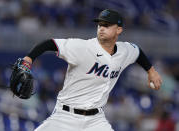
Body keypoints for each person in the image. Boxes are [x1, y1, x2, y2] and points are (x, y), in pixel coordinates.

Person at [21, 9, 162, 131]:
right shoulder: (83, 47)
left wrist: (151, 71)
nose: (101, 28)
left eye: (106, 25)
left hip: (96, 120)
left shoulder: (125, 51)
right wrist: (28, 60)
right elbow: (50, 43)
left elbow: (137, 52)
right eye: (100, 24)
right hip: (65, 116)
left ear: (118, 30)